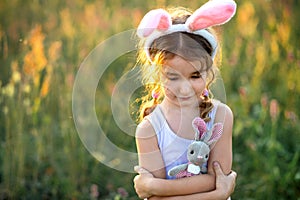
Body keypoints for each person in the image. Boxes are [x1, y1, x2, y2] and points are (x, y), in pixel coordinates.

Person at [133, 0, 237, 199]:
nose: (184, 88)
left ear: (209, 72)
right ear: (158, 73)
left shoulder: (221, 116)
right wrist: (217, 192)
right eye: (172, 77)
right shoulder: (149, 130)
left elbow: (219, 178)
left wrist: (155, 186)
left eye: (195, 76)